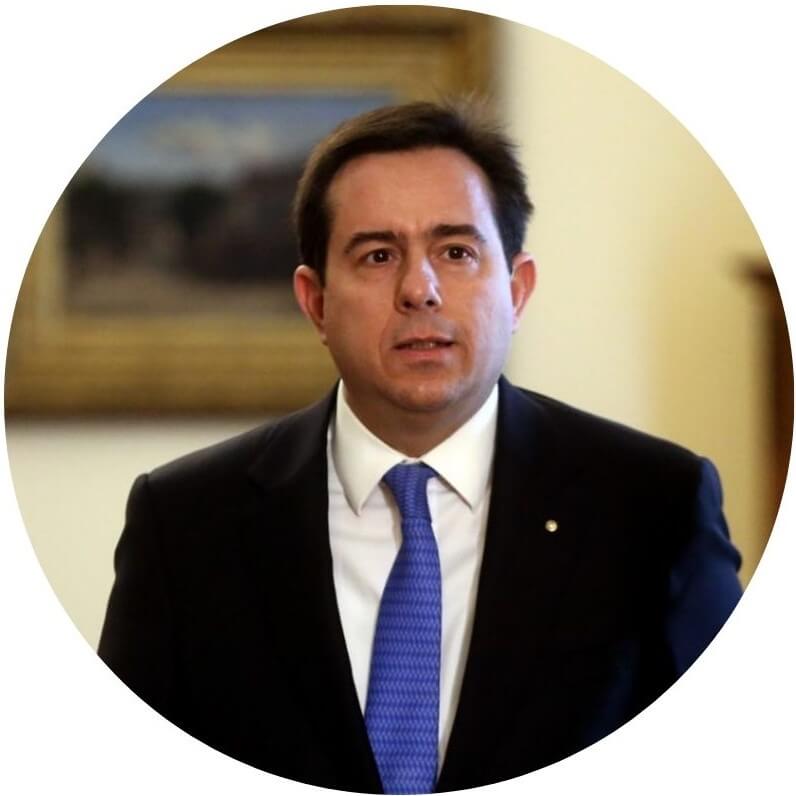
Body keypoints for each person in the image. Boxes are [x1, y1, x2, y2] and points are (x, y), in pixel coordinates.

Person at [98, 99, 742, 793]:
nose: (419, 290)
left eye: (456, 252)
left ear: (517, 290)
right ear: (316, 302)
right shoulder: (185, 521)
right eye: (378, 256)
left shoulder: (654, 507)